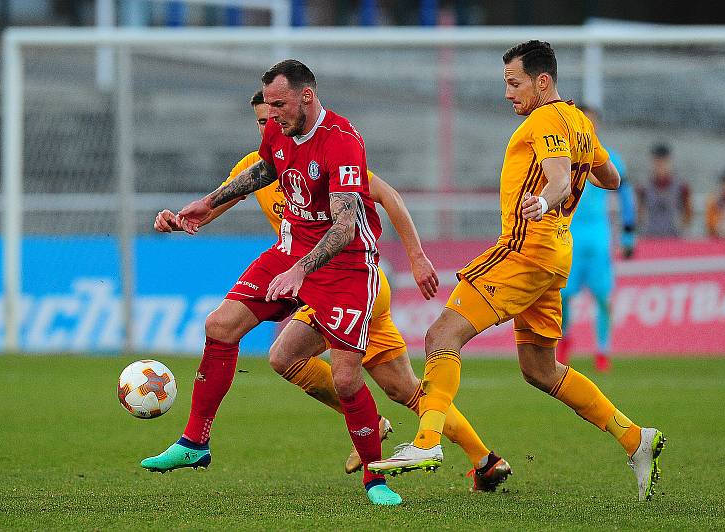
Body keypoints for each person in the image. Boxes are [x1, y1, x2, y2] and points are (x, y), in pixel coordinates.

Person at [153, 90, 512, 492]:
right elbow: (226, 199)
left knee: (324, 368)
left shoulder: (330, 150)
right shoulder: (259, 163)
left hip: (348, 280)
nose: (268, 124)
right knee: (390, 384)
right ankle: (484, 459)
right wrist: (186, 218)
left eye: (272, 115)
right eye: (260, 120)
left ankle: (373, 440)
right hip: (306, 278)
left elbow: (386, 196)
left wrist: (416, 255)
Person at [369, 40, 666, 503]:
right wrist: (574, 172)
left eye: (514, 83)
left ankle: (427, 442)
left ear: (541, 82)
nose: (508, 93)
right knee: (539, 368)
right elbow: (612, 179)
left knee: (441, 337)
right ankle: (634, 438)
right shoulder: (579, 122)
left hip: (526, 249)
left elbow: (559, 177)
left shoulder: (546, 118)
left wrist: (544, 198)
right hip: (554, 257)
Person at [141, 59, 403, 506]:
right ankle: (194, 443)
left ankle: (375, 480)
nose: (272, 113)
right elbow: (266, 168)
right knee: (219, 326)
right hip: (290, 250)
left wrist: (302, 271)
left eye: (279, 103)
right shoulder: (279, 127)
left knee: (344, 379)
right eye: (268, 105)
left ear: (307, 95)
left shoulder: (342, 142)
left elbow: (344, 226)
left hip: (346, 266)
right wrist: (209, 203)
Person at [556, 105, 637, 372]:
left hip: (598, 239)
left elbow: (625, 195)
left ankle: (602, 351)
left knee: (603, 297)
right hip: (569, 237)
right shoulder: (560, 155)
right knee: (563, 296)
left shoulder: (608, 157)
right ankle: (564, 341)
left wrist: (628, 232)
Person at [636, 143, 691, 238]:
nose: (660, 165)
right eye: (657, 161)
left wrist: (681, 228)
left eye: (663, 161)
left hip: (673, 237)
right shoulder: (643, 187)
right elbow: (639, 213)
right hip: (650, 237)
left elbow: (688, 213)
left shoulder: (682, 187)